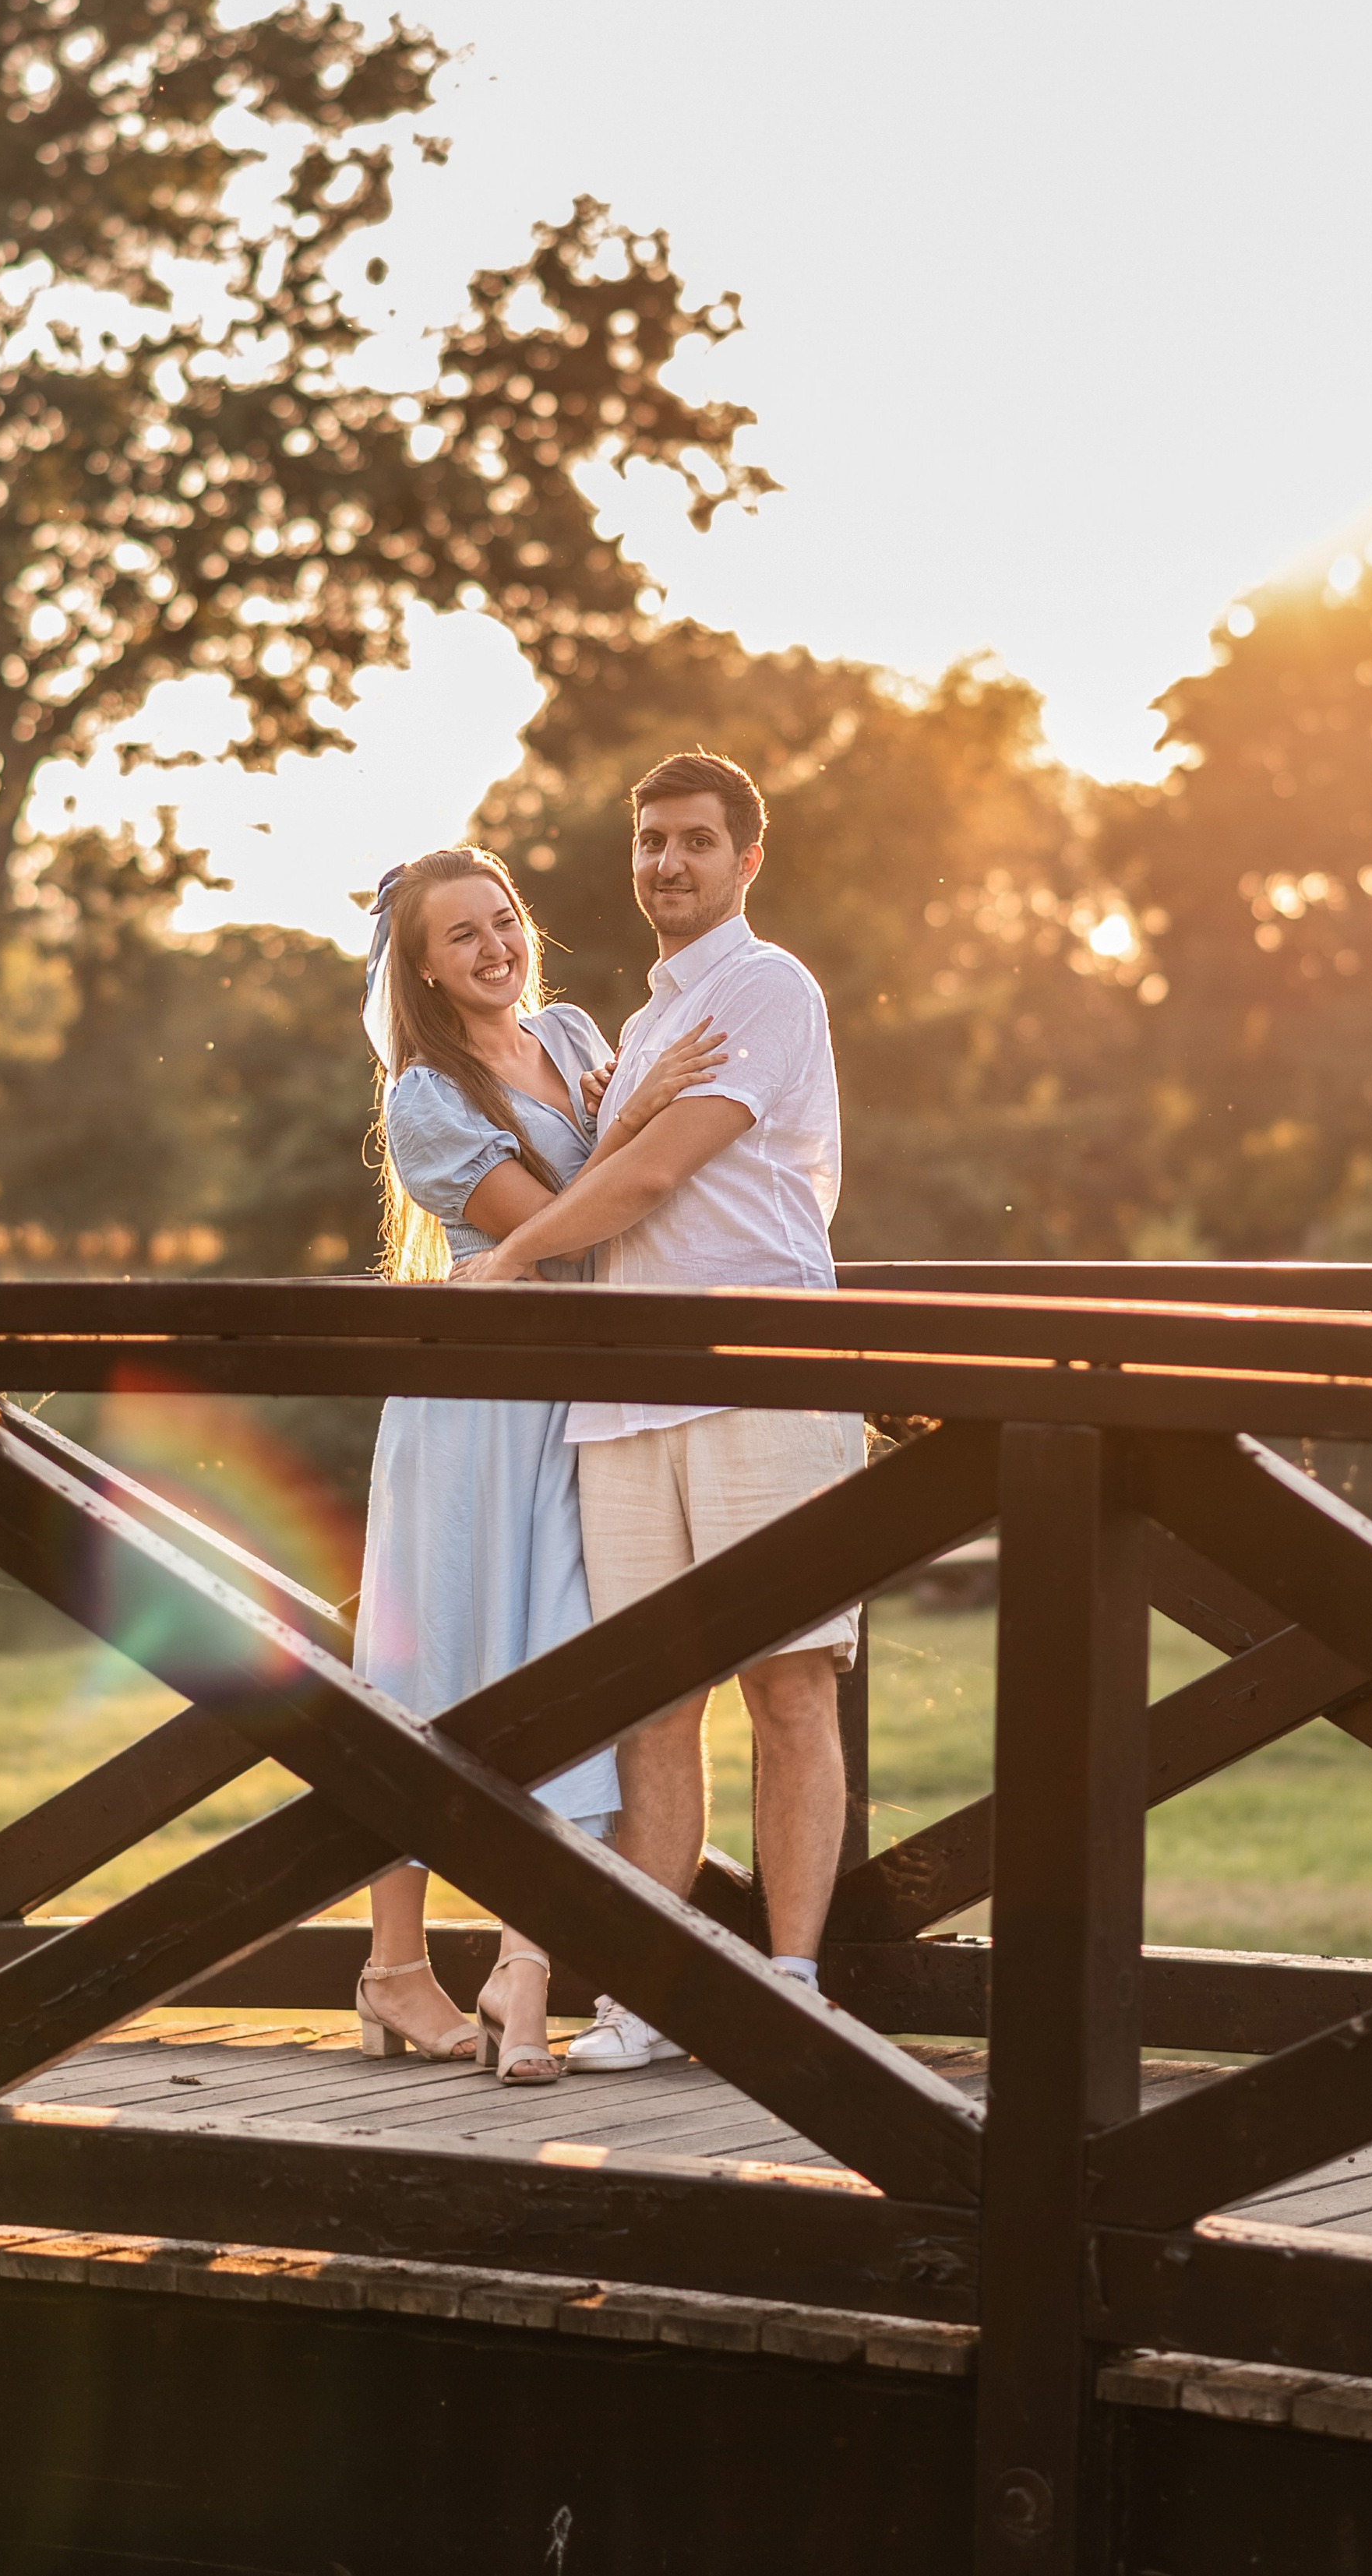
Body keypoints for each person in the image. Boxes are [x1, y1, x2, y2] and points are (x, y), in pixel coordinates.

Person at [457, 752, 862, 2073]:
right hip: (623, 1401)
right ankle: (650, 1993)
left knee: (789, 1682)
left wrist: (508, 1262)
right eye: (649, 844)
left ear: (749, 858)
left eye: (695, 842)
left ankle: (793, 1981)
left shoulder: (766, 985)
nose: (667, 865)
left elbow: (646, 1178)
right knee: (651, 1705)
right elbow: (623, 1154)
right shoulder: (640, 1028)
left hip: (763, 1380)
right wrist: (628, 1098)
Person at [353, 845, 725, 2084]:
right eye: (460, 935)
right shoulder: (424, 1095)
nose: (494, 947)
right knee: (436, 1661)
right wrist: (649, 1101)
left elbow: (634, 1185)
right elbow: (563, 1215)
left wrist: (643, 1101)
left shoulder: (570, 1032)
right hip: (473, 1417)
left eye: (502, 920)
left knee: (561, 1658)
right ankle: (396, 1968)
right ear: (420, 966)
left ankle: (526, 1966)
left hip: (578, 1401)